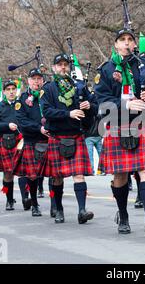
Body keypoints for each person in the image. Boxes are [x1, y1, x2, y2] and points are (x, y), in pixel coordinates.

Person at [95, 26, 145, 235]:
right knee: (120, 175)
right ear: (116, 44)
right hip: (116, 123)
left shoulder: (144, 65)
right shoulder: (106, 70)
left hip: (142, 123)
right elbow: (101, 103)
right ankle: (123, 214)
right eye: (122, 40)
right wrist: (126, 106)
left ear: (134, 44)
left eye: (130, 39)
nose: (127, 43)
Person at [40, 53, 97, 224]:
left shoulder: (79, 86)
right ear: (54, 68)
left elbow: (95, 105)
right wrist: (68, 113)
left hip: (76, 135)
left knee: (79, 175)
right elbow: (47, 111)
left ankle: (82, 210)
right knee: (57, 177)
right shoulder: (48, 89)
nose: (63, 67)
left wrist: (89, 106)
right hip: (58, 136)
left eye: (65, 64)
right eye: (59, 65)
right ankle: (59, 209)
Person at [13, 68, 49, 217]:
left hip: (50, 139)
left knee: (55, 175)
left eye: (39, 79)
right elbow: (22, 121)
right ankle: (34, 203)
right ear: (28, 81)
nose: (36, 81)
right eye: (33, 79)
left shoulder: (48, 94)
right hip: (32, 140)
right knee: (33, 176)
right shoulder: (22, 99)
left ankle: (55, 205)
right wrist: (39, 128)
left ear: (43, 80)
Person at [0, 80, 27, 211]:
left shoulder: (21, 104)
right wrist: (7, 125)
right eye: (8, 89)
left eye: (13, 89)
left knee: (24, 172)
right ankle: (9, 200)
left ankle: (25, 199)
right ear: (4, 92)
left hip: (22, 141)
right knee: (8, 174)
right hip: (6, 142)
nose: (11, 91)